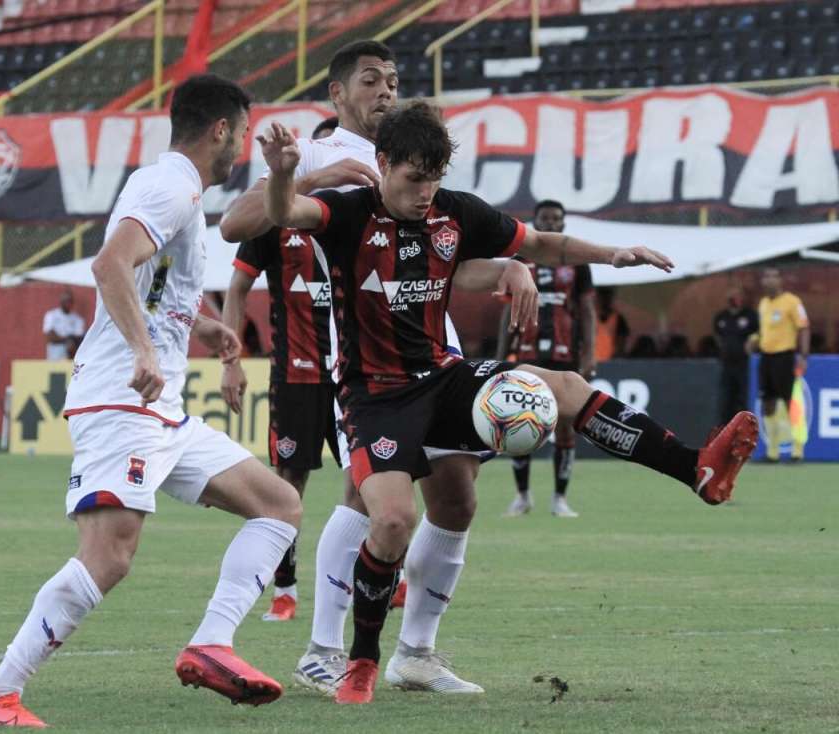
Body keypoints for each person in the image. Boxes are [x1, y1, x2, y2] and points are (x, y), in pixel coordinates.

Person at [259, 100, 759, 705]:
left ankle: (696, 468)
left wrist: (613, 255)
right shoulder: (347, 212)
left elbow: (542, 242)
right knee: (391, 520)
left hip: (443, 378)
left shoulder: (454, 213)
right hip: (375, 394)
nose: (425, 193)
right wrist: (285, 170)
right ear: (384, 163)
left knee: (565, 388)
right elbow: (284, 211)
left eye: (435, 179)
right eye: (414, 179)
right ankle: (360, 659)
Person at [0, 74, 304, 728]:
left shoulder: (178, 191)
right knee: (110, 555)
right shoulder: (168, 185)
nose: (239, 146)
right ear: (221, 130)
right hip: (123, 401)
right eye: (241, 130)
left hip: (161, 413)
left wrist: (198, 325)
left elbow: (151, 282)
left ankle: (212, 643)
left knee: (279, 505)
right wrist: (146, 352)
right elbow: (110, 265)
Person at [221, 39, 537, 696]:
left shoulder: (416, 153)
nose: (385, 90)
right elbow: (235, 223)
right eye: (370, 80)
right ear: (336, 94)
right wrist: (304, 177)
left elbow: (462, 249)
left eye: (393, 79)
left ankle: (417, 652)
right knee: (364, 497)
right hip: (367, 355)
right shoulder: (314, 151)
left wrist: (510, 264)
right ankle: (323, 647)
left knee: (458, 496)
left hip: (435, 344)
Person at [220, 116, 341, 626]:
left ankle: (386, 579)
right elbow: (236, 290)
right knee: (288, 484)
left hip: (354, 374)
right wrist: (231, 361)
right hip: (295, 373)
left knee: (374, 477)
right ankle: (285, 591)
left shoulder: (368, 217)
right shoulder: (276, 217)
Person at [498, 199, 595, 519]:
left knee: (566, 429)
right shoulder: (520, 260)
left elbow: (586, 311)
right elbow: (506, 309)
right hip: (526, 354)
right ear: (536, 221)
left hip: (564, 355)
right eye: (545, 219)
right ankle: (522, 496)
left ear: (564, 225)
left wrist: (589, 354)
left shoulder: (578, 263)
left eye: (556, 219)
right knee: (519, 426)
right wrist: (501, 355)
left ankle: (559, 499)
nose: (551, 223)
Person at [748, 267, 810, 462]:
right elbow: (765, 330)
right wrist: (755, 339)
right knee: (767, 403)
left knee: (791, 402)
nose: (769, 280)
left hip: (785, 357)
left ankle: (798, 449)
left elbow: (804, 327)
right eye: (766, 276)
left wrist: (803, 355)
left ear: (781, 280)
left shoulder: (792, 301)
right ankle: (772, 451)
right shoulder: (764, 303)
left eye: (773, 276)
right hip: (766, 357)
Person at [713, 288, 759, 425]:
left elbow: (758, 333)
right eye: (731, 295)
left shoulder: (750, 315)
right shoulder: (721, 316)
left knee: (744, 398)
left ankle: (745, 430)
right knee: (726, 400)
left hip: (744, 363)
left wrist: (751, 345)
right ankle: (724, 432)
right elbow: (717, 335)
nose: (733, 298)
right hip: (726, 363)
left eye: (736, 295)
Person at [42, 289, 86, 360]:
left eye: (69, 300)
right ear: (61, 301)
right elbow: (50, 336)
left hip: (71, 354)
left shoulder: (78, 319)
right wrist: (68, 340)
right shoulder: (51, 315)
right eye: (65, 300)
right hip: (55, 352)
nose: (67, 303)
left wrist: (68, 340)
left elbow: (79, 338)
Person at [594, 286, 630, 361]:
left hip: (612, 362)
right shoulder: (591, 317)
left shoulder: (618, 319)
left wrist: (617, 356)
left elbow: (622, 341)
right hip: (594, 360)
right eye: (602, 296)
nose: (605, 300)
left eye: (608, 296)